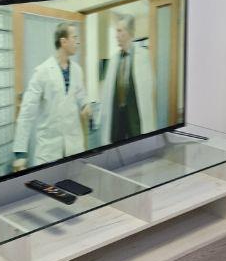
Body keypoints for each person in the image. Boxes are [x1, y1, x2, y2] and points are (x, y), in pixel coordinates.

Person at [12, 23, 92, 169]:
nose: (78, 42)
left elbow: (81, 95)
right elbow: (27, 112)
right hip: (49, 150)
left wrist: (85, 104)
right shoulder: (42, 72)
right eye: (74, 37)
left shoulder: (77, 70)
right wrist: (20, 153)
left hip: (74, 147)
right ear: (63, 41)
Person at [99, 13, 155, 144]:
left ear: (129, 32)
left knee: (137, 147)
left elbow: (149, 89)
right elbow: (107, 93)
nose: (116, 35)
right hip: (117, 117)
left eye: (119, 31)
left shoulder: (143, 57)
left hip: (134, 116)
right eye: (116, 31)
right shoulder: (113, 60)